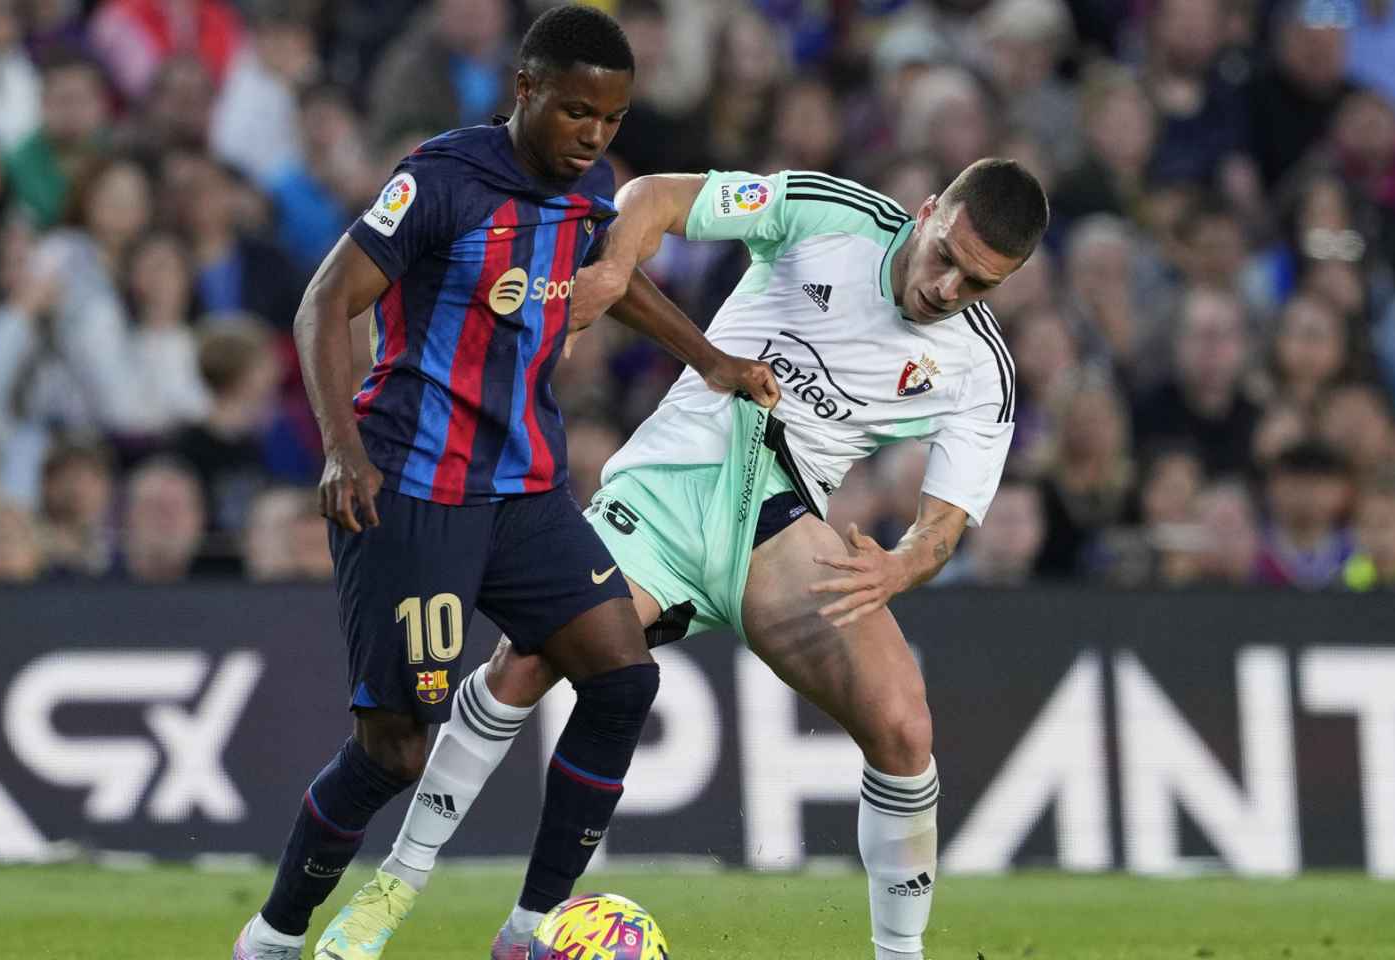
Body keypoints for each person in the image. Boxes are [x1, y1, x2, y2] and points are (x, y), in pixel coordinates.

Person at [350, 158, 1048, 960]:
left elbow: (942, 529)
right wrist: (614, 266)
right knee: (525, 662)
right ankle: (396, 886)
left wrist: (899, 566)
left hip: (783, 523)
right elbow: (654, 198)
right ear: (926, 212)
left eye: (978, 284)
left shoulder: (979, 371)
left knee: (903, 726)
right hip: (671, 482)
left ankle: (901, 956)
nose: (948, 288)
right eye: (947, 257)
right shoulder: (827, 213)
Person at [230, 9, 778, 960]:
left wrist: (712, 360)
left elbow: (615, 274)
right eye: (576, 113)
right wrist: (340, 448)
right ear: (523, 91)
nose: (594, 137)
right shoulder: (442, 179)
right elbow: (328, 299)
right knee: (397, 747)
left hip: (525, 491)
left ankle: (530, 934)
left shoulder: (587, 187)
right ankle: (273, 938)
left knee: (622, 680)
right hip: (412, 488)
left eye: (610, 120)